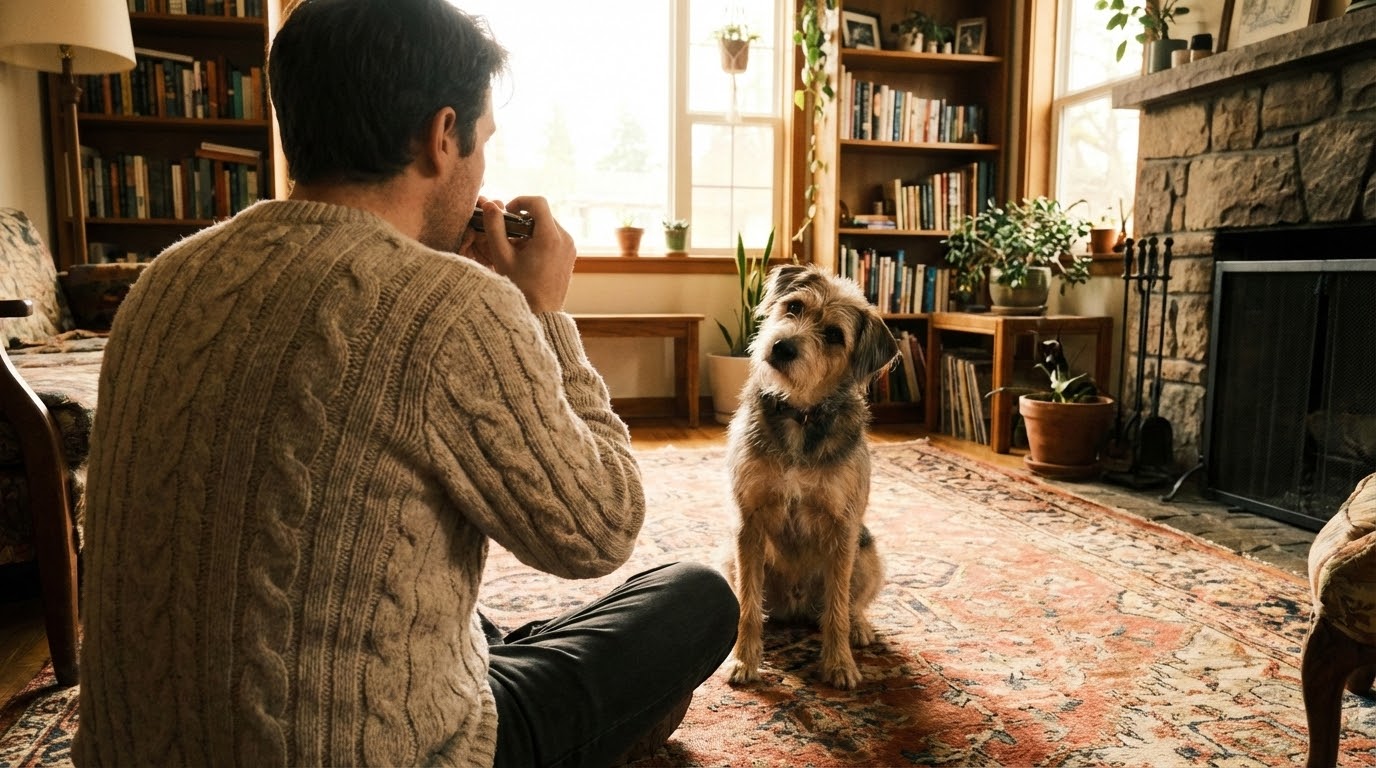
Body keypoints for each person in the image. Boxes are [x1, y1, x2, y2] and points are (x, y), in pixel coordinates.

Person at [71, 1, 738, 766]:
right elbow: (599, 529)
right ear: (441, 135)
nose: (482, 168)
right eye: (482, 142)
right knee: (698, 598)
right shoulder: (449, 304)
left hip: (134, 749)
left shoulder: (164, 279)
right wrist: (543, 313)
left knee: (414, 579)